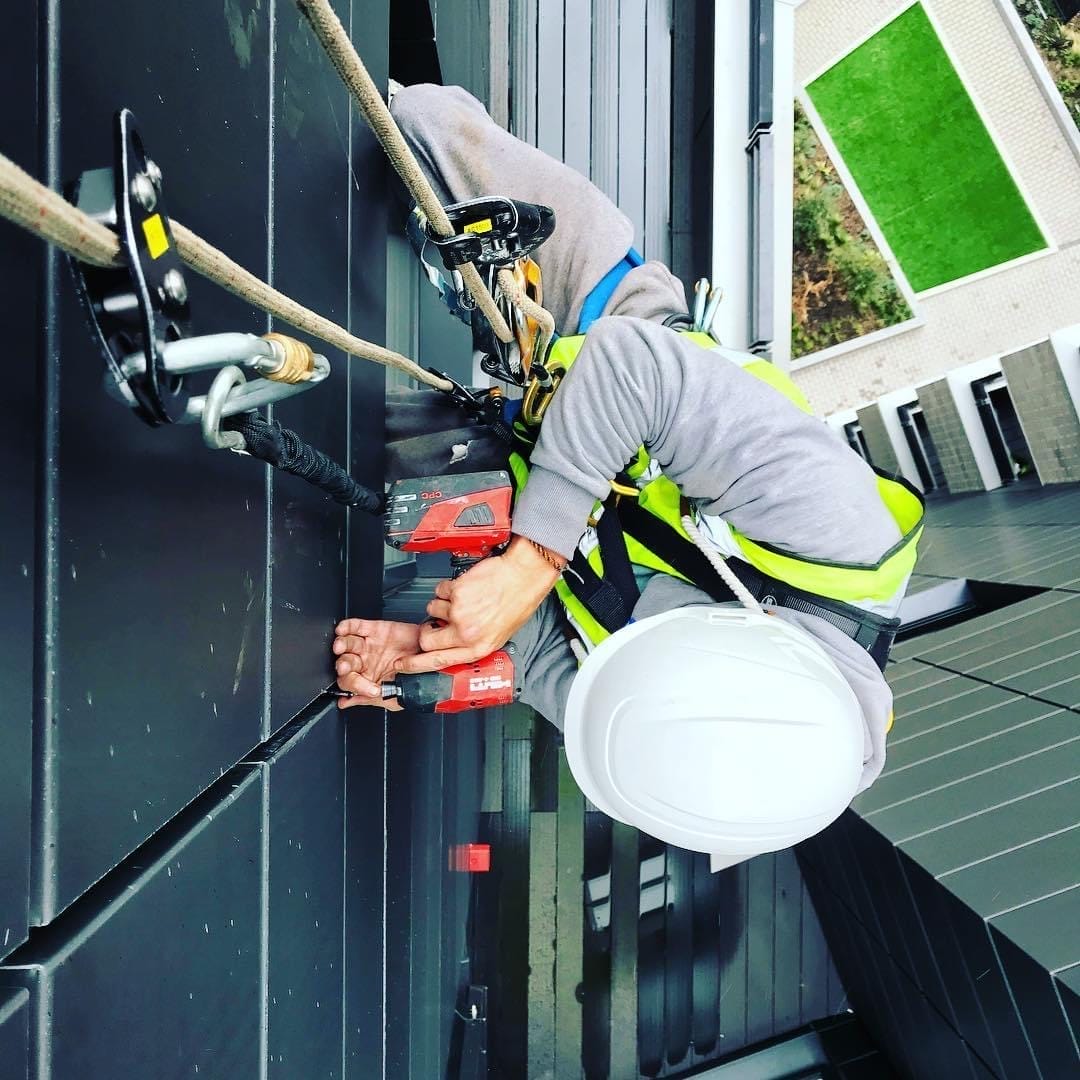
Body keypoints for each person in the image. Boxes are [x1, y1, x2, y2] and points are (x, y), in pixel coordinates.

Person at [331, 84, 922, 865]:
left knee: (362, 451)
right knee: (415, 132)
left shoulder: (669, 731)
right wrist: (534, 563)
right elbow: (630, 369)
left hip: (546, 481)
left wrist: (433, 643)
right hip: (606, 326)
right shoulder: (843, 536)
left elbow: (550, 661)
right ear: (761, 644)